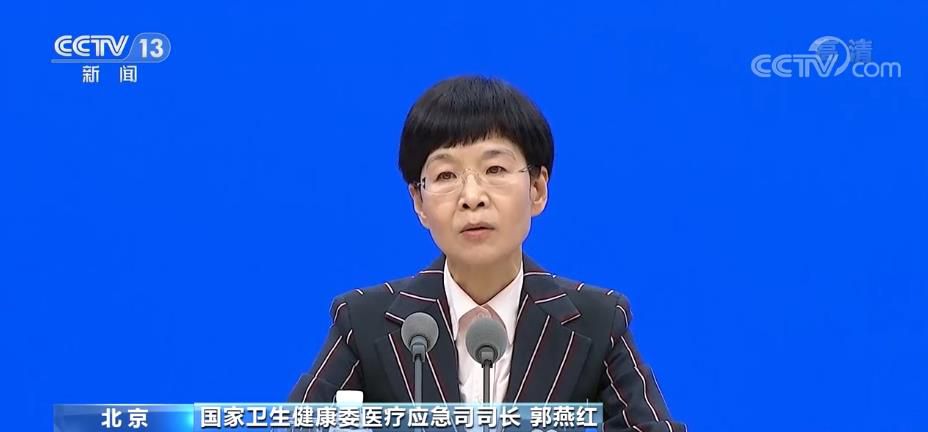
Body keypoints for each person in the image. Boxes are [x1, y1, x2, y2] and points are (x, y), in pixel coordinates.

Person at [288, 76, 685, 431]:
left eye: (495, 170)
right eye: (445, 175)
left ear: (537, 189)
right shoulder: (364, 322)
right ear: (419, 202)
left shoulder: (597, 321)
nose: (472, 197)